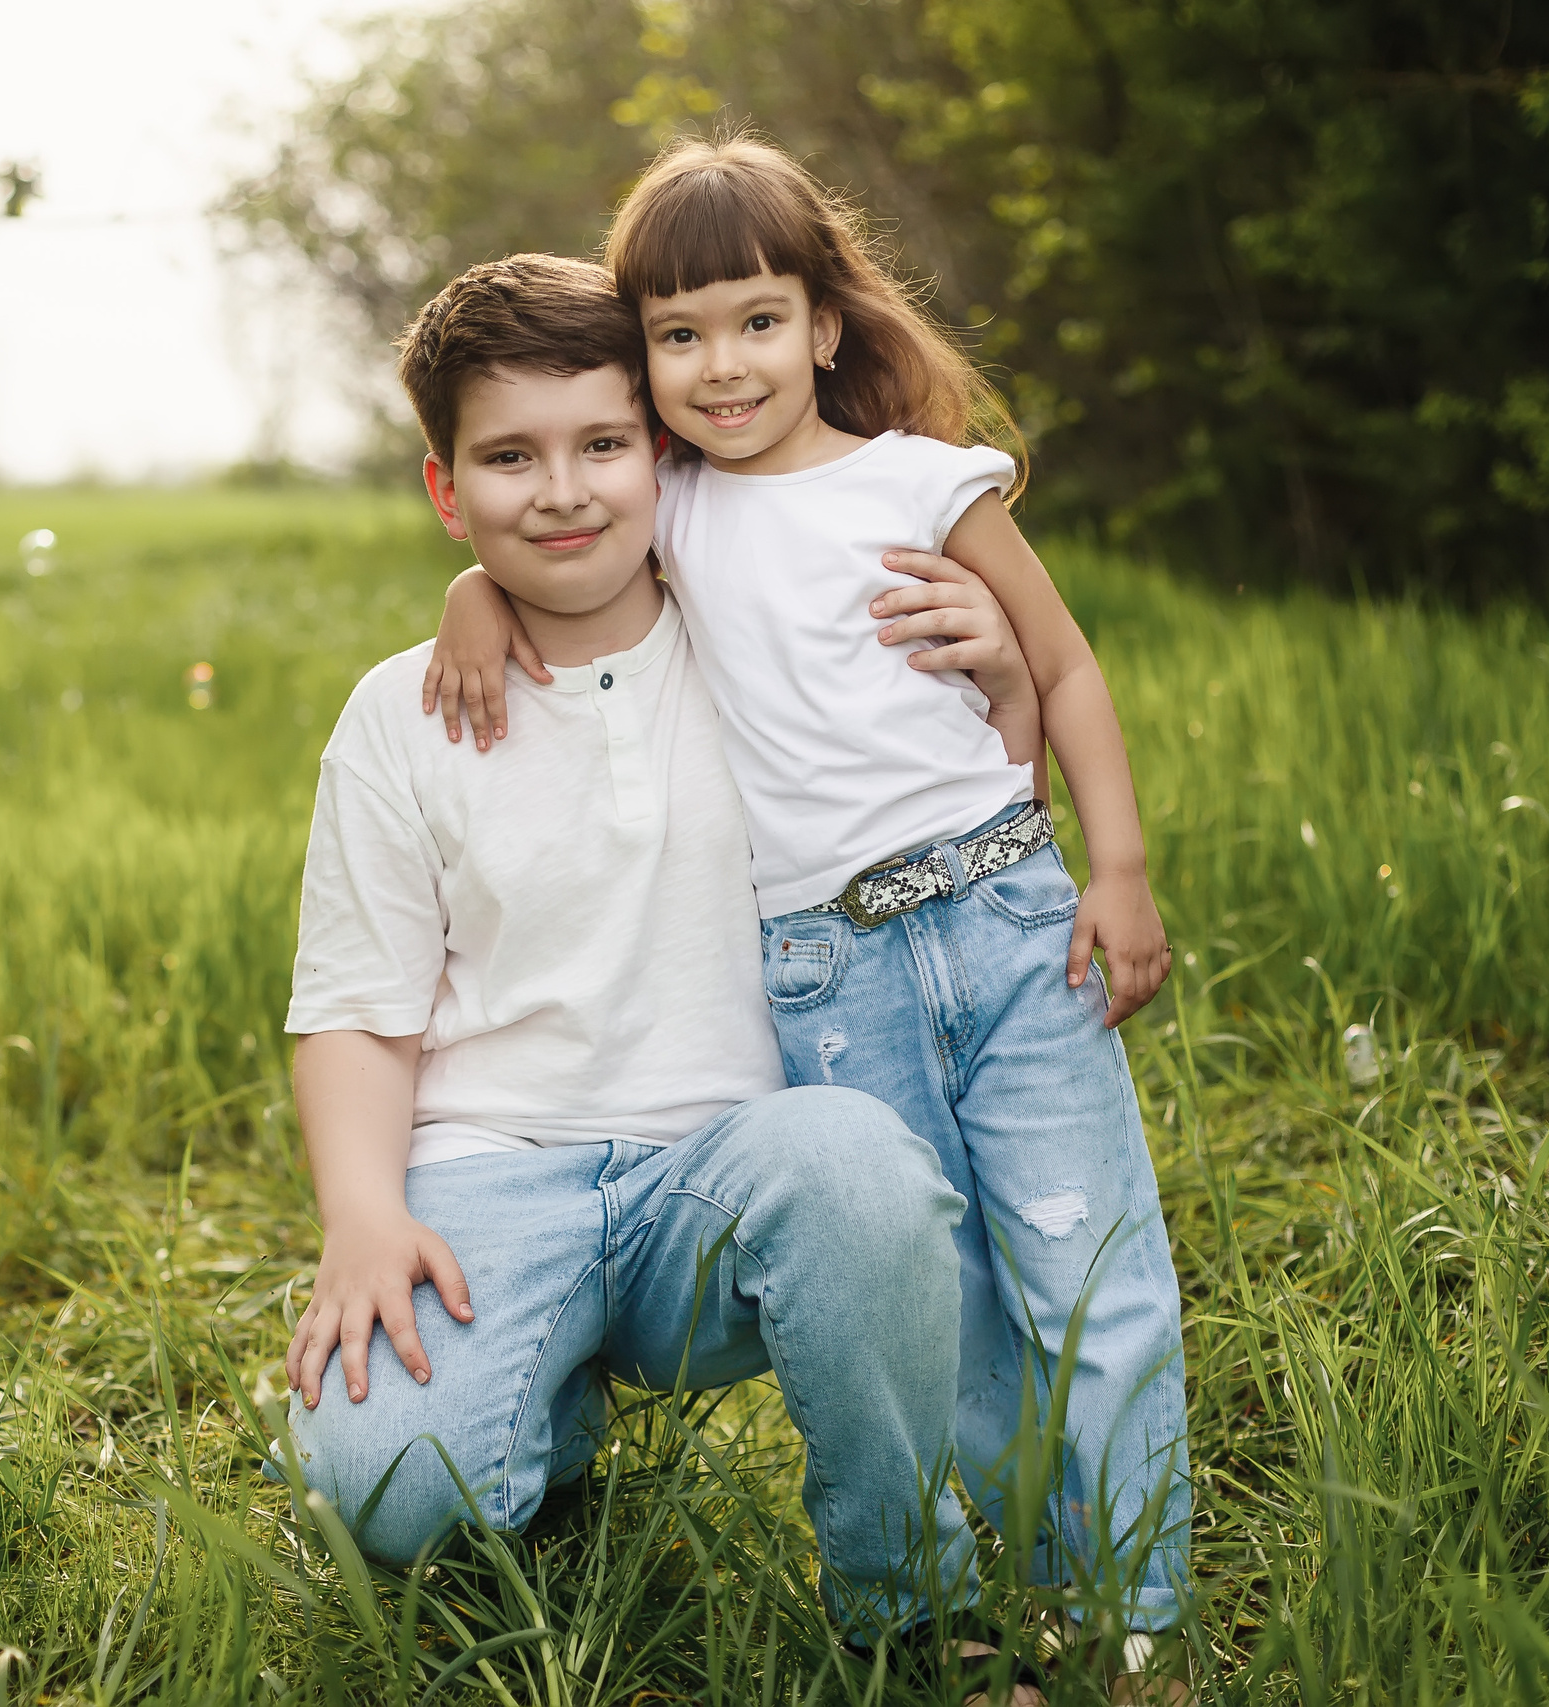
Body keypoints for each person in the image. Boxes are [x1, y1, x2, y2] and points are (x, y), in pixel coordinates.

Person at [424, 138, 1199, 1699]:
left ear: (827, 323)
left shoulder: (922, 484)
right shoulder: (675, 508)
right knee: (956, 1291)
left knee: (1087, 1264)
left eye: (759, 321)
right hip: (825, 968)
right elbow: (552, 551)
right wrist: (468, 597)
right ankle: (1008, 1585)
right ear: (643, 365)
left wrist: (1116, 869)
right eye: (682, 335)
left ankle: (1134, 1615)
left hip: (1000, 918)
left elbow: (1064, 666)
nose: (725, 366)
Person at [281, 251, 1054, 1681]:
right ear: (449, 491)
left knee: (857, 1162)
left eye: (602, 446)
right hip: (488, 1177)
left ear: (668, 455)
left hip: (724, 1171)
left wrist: (1005, 668)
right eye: (509, 459)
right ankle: (544, 1435)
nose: (562, 491)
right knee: (384, 1485)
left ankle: (909, 1596)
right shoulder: (401, 715)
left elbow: (963, 811)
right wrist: (362, 1216)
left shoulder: (768, 642)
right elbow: (355, 1008)